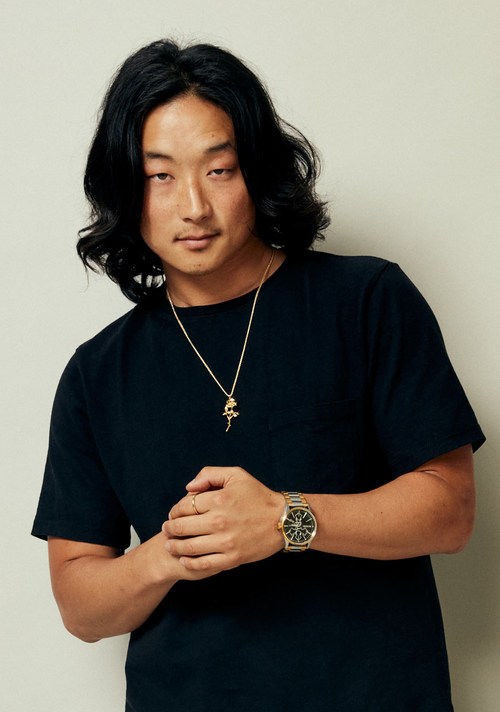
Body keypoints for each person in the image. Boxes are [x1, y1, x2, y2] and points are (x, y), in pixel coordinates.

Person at [32, 39, 485, 712]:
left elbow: (451, 511)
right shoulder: (97, 374)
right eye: (160, 176)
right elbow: (80, 605)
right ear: (126, 187)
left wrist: (286, 519)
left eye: (219, 169)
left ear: (258, 171)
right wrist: (168, 555)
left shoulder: (365, 301)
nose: (193, 206)